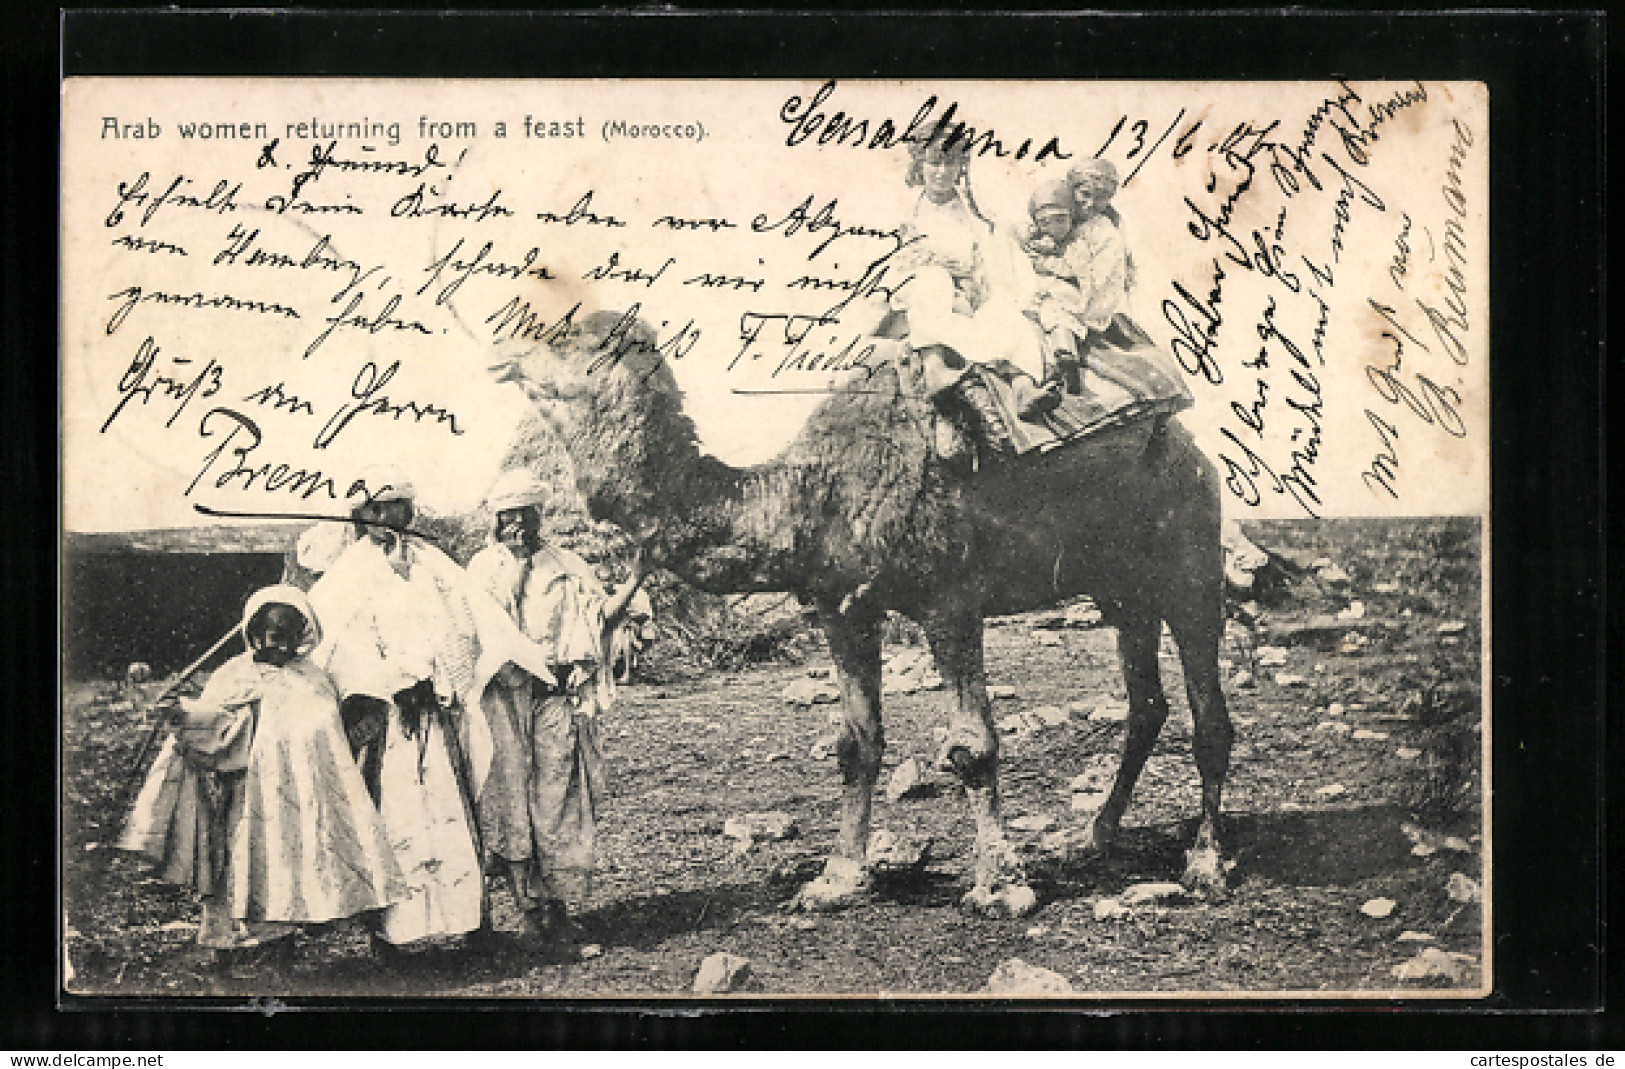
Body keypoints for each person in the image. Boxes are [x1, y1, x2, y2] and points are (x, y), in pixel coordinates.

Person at [120, 586, 405, 975]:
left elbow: (331, 737)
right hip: (250, 798)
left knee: (295, 870)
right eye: (274, 635)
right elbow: (217, 730)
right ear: (254, 633)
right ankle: (231, 954)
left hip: (306, 799)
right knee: (246, 871)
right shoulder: (234, 676)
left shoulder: (314, 679)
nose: (283, 646)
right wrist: (180, 714)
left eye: (291, 635)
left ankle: (284, 948)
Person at [305, 469, 499, 950]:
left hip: (437, 711)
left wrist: (440, 682)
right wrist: (394, 687)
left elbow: (462, 626)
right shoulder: (348, 574)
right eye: (379, 509)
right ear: (362, 517)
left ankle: (470, 925)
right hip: (388, 720)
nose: (391, 519)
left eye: (400, 508)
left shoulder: (434, 566)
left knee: (454, 813)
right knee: (395, 817)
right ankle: (394, 935)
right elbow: (342, 645)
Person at [466, 468, 648, 936]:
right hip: (502, 701)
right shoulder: (481, 570)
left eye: (525, 515)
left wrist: (636, 578)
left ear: (538, 516)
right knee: (509, 801)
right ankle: (527, 911)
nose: (517, 526)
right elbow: (470, 634)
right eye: (508, 517)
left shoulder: (566, 566)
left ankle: (558, 907)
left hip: (555, 698)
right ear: (496, 520)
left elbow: (600, 617)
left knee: (557, 799)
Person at [891, 136, 1060, 445]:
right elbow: (902, 266)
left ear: (961, 167)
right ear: (920, 165)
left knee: (1011, 318)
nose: (942, 172)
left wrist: (980, 287)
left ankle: (1023, 385)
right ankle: (934, 367)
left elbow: (991, 256)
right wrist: (949, 280)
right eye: (934, 163)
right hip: (927, 300)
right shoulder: (906, 213)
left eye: (950, 163)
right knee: (932, 279)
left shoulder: (974, 211)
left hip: (971, 296)